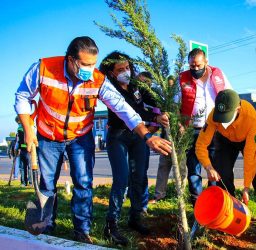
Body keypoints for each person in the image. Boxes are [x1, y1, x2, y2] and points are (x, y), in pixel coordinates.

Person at [14, 36, 171, 244]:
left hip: (81, 138)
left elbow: (123, 108)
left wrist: (147, 135)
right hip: (48, 136)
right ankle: (47, 224)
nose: (91, 68)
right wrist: (28, 130)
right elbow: (22, 96)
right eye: (85, 64)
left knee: (84, 183)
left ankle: (82, 229)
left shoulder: (97, 79)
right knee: (47, 184)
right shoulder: (43, 68)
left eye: (93, 64)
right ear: (70, 60)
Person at [99, 51, 169, 246]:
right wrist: (154, 117)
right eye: (120, 69)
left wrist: (164, 109)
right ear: (111, 73)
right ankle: (111, 224)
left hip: (138, 135)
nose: (125, 72)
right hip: (118, 136)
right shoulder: (110, 89)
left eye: (127, 67)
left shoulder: (136, 85)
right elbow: (134, 110)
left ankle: (136, 216)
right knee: (121, 179)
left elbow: (153, 99)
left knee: (139, 175)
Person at [196, 89, 256, 236]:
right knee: (221, 177)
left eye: (227, 117)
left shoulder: (251, 117)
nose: (223, 121)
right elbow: (201, 145)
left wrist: (246, 187)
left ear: (238, 109)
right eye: (221, 117)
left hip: (247, 139)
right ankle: (227, 218)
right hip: (225, 140)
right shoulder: (213, 116)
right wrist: (208, 167)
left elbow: (250, 157)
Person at [179, 48, 232, 206]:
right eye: (191, 66)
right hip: (193, 130)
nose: (195, 69)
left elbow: (230, 96)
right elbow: (175, 103)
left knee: (215, 167)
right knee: (194, 168)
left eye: (198, 65)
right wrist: (180, 124)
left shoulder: (218, 75)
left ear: (206, 62)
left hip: (215, 130)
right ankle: (197, 202)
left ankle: (213, 201)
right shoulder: (182, 78)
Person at [149, 75, 181, 203]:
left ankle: (180, 194)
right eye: (167, 85)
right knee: (163, 165)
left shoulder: (180, 101)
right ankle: (159, 195)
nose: (169, 88)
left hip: (179, 139)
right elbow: (156, 117)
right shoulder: (161, 102)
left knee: (180, 167)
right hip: (166, 138)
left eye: (172, 85)